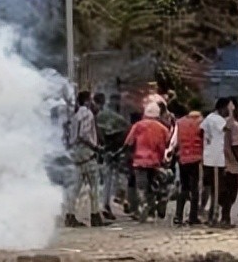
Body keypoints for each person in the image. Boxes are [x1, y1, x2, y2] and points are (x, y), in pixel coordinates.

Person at [63, 90, 104, 228]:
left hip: (76, 153)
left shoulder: (75, 116)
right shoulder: (87, 113)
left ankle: (70, 215)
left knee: (75, 187)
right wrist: (95, 147)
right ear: (87, 100)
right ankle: (95, 215)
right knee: (94, 185)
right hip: (87, 152)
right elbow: (84, 134)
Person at [125, 102, 171, 222]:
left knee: (140, 187)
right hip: (155, 162)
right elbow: (167, 144)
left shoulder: (137, 126)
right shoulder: (163, 128)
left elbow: (128, 143)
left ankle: (143, 204)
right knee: (152, 186)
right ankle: (151, 211)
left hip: (139, 161)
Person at [94, 93, 128, 221]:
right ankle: (105, 205)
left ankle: (105, 205)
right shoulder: (108, 116)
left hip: (106, 150)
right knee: (106, 178)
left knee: (105, 179)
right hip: (109, 150)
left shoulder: (102, 116)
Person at [200, 98, 232, 226]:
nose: (229, 111)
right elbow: (228, 130)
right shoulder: (219, 120)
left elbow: (201, 132)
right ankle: (213, 217)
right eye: (228, 108)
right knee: (217, 190)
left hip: (208, 157)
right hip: (216, 159)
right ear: (222, 108)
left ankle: (207, 213)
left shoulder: (208, 118)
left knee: (210, 188)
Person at [170, 110, 204, 225]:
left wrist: (171, 152)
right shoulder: (202, 123)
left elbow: (174, 141)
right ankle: (193, 216)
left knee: (184, 187)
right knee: (194, 189)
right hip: (196, 158)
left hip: (182, 158)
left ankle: (178, 216)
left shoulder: (179, 123)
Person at [220, 100, 238, 228]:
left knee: (225, 191)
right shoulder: (235, 125)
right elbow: (235, 146)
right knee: (231, 193)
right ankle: (226, 218)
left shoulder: (224, 124)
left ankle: (224, 217)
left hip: (222, 161)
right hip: (232, 163)